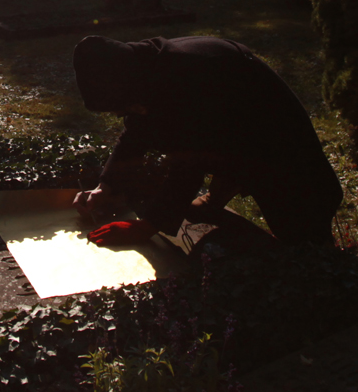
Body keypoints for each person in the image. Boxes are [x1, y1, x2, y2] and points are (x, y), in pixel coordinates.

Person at [72, 35, 342, 248]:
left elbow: (190, 163)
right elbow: (136, 134)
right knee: (226, 150)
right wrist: (104, 186)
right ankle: (226, 187)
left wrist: (147, 226)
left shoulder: (185, 79)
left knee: (302, 238)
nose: (119, 114)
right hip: (231, 128)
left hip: (277, 141)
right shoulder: (143, 69)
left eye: (120, 107)